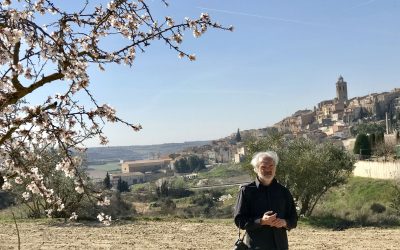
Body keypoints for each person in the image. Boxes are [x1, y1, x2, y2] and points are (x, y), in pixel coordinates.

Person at [234, 151, 298, 250]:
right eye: (263, 167)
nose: (268, 169)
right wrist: (261, 221)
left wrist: (284, 222)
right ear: (256, 169)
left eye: (271, 166)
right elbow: (239, 221)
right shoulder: (246, 191)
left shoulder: (284, 192)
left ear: (275, 168)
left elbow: (293, 220)